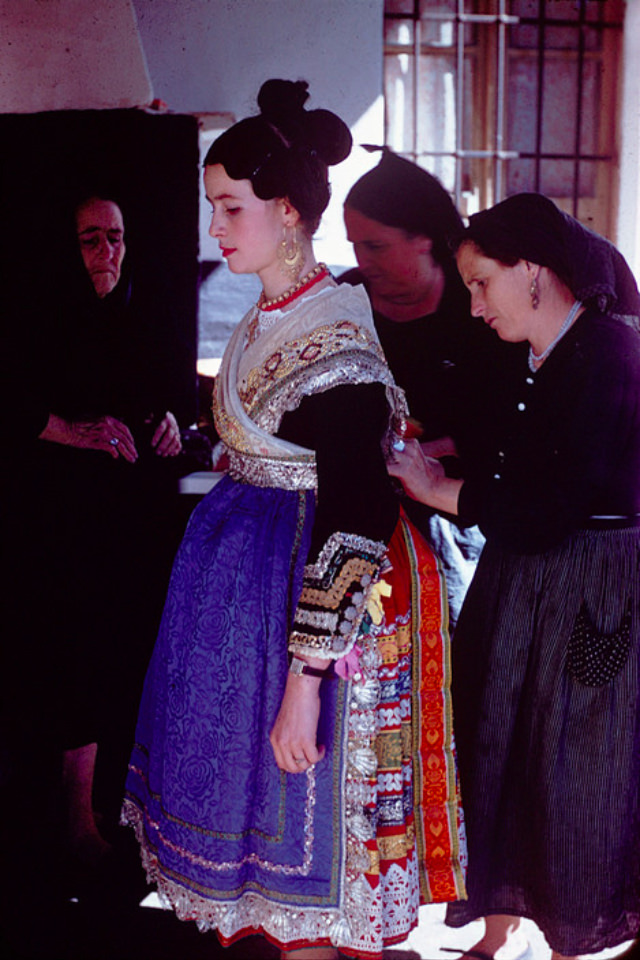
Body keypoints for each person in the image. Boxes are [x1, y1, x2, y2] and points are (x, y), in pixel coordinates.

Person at [122, 79, 466, 960]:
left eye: (230, 207)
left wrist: (304, 682)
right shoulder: (275, 314)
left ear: (285, 210)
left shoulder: (335, 341)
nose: (216, 228)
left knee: (312, 883)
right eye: (212, 207)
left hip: (309, 628)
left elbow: (355, 515)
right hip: (251, 611)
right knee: (267, 895)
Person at [388, 192, 640, 960]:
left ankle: (571, 938)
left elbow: (565, 496)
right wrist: (445, 465)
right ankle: (499, 930)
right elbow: (515, 460)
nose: (472, 306)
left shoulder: (612, 351)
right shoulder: (526, 353)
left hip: (593, 585)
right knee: (501, 743)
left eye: (480, 283)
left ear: (532, 271)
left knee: (578, 769)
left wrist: (445, 492)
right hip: (522, 577)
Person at [1, 192, 185, 888]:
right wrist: (69, 429)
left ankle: (100, 810)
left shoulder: (141, 305)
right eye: (89, 240)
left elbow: (168, 391)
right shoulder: (30, 310)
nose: (107, 253)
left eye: (115, 238)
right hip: (47, 512)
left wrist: (170, 418)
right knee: (63, 658)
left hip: (122, 513)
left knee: (115, 651)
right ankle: (68, 818)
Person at [342, 149, 523, 631]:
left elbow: (512, 420)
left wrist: (434, 453)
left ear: (423, 238)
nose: (362, 261)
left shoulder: (479, 307)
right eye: (354, 245)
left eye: (375, 246)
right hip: (364, 516)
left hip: (460, 522)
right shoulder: (345, 302)